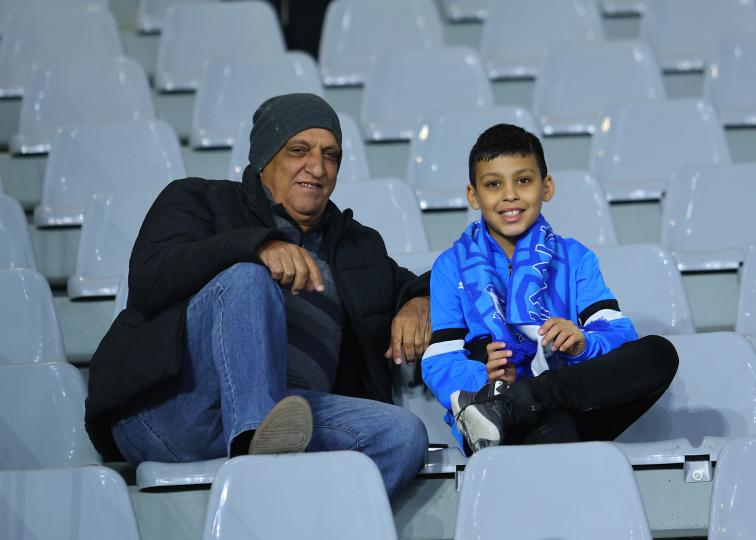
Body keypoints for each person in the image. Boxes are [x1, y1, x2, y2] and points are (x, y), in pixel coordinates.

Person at [85, 93, 430, 500]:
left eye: (330, 155)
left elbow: (420, 283)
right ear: (265, 157)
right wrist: (256, 246)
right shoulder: (198, 199)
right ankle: (258, 456)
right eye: (298, 150)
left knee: (403, 434)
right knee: (248, 278)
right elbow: (149, 277)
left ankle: (304, 519)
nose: (317, 167)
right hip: (175, 409)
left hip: (292, 416)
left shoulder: (358, 247)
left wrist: (418, 302)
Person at [421, 123, 678, 453]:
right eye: (493, 184)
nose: (510, 194)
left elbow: (619, 334)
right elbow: (439, 360)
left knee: (659, 353)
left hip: (573, 399)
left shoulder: (575, 257)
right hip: (498, 426)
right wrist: (486, 378)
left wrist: (582, 344)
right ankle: (504, 404)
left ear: (547, 187)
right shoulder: (450, 266)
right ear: (473, 195)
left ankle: (519, 400)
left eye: (523, 181)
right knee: (555, 425)